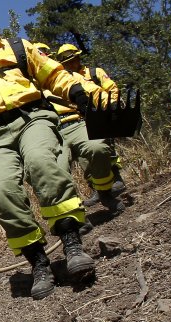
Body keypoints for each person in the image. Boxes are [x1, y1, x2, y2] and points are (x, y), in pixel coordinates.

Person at [0, 0, 108, 300]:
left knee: (43, 163)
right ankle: (39, 263)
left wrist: (77, 92)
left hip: (32, 118)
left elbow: (52, 74)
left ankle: (72, 244)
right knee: (3, 194)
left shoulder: (18, 48)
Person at [54, 43, 126, 203]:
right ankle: (97, 188)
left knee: (105, 148)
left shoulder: (93, 73)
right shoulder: (62, 80)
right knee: (87, 157)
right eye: (67, 62)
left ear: (79, 58)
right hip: (82, 115)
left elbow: (111, 89)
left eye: (73, 60)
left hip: (101, 112)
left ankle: (116, 178)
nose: (71, 64)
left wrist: (113, 105)